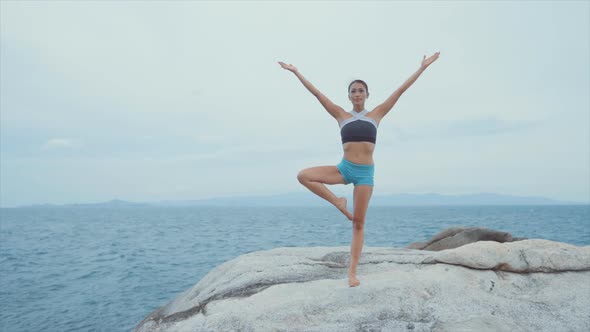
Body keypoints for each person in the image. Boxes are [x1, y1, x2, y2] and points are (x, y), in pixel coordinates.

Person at [278, 52, 440, 287]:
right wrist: (296, 72)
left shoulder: (377, 114)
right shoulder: (340, 115)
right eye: (353, 91)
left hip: (364, 174)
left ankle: (352, 273)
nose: (357, 94)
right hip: (344, 169)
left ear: (367, 95)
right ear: (349, 96)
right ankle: (338, 203)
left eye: (360, 91)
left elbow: (401, 90)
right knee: (304, 175)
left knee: (359, 223)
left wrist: (422, 68)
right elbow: (316, 94)